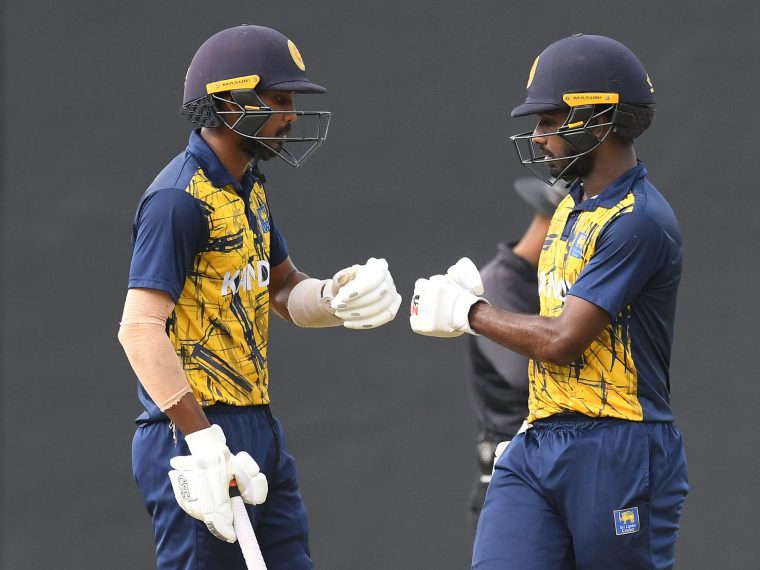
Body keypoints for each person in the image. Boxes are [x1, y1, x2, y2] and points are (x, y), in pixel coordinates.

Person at [117, 24, 402, 570]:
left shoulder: (247, 188)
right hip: (190, 432)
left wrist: (335, 297)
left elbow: (283, 288)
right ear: (229, 103)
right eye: (279, 100)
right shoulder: (178, 199)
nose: (291, 116)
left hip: (257, 426)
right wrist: (203, 441)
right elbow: (139, 329)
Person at [410, 34, 688, 569]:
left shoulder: (639, 220)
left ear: (598, 121)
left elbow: (563, 340)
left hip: (619, 444)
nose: (537, 137)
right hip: (539, 442)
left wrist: (469, 311)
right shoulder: (569, 209)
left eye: (549, 120)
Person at [465, 178, 567, 527]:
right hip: (513, 477)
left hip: (553, 473)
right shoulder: (497, 284)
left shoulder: (550, 283)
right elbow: (523, 375)